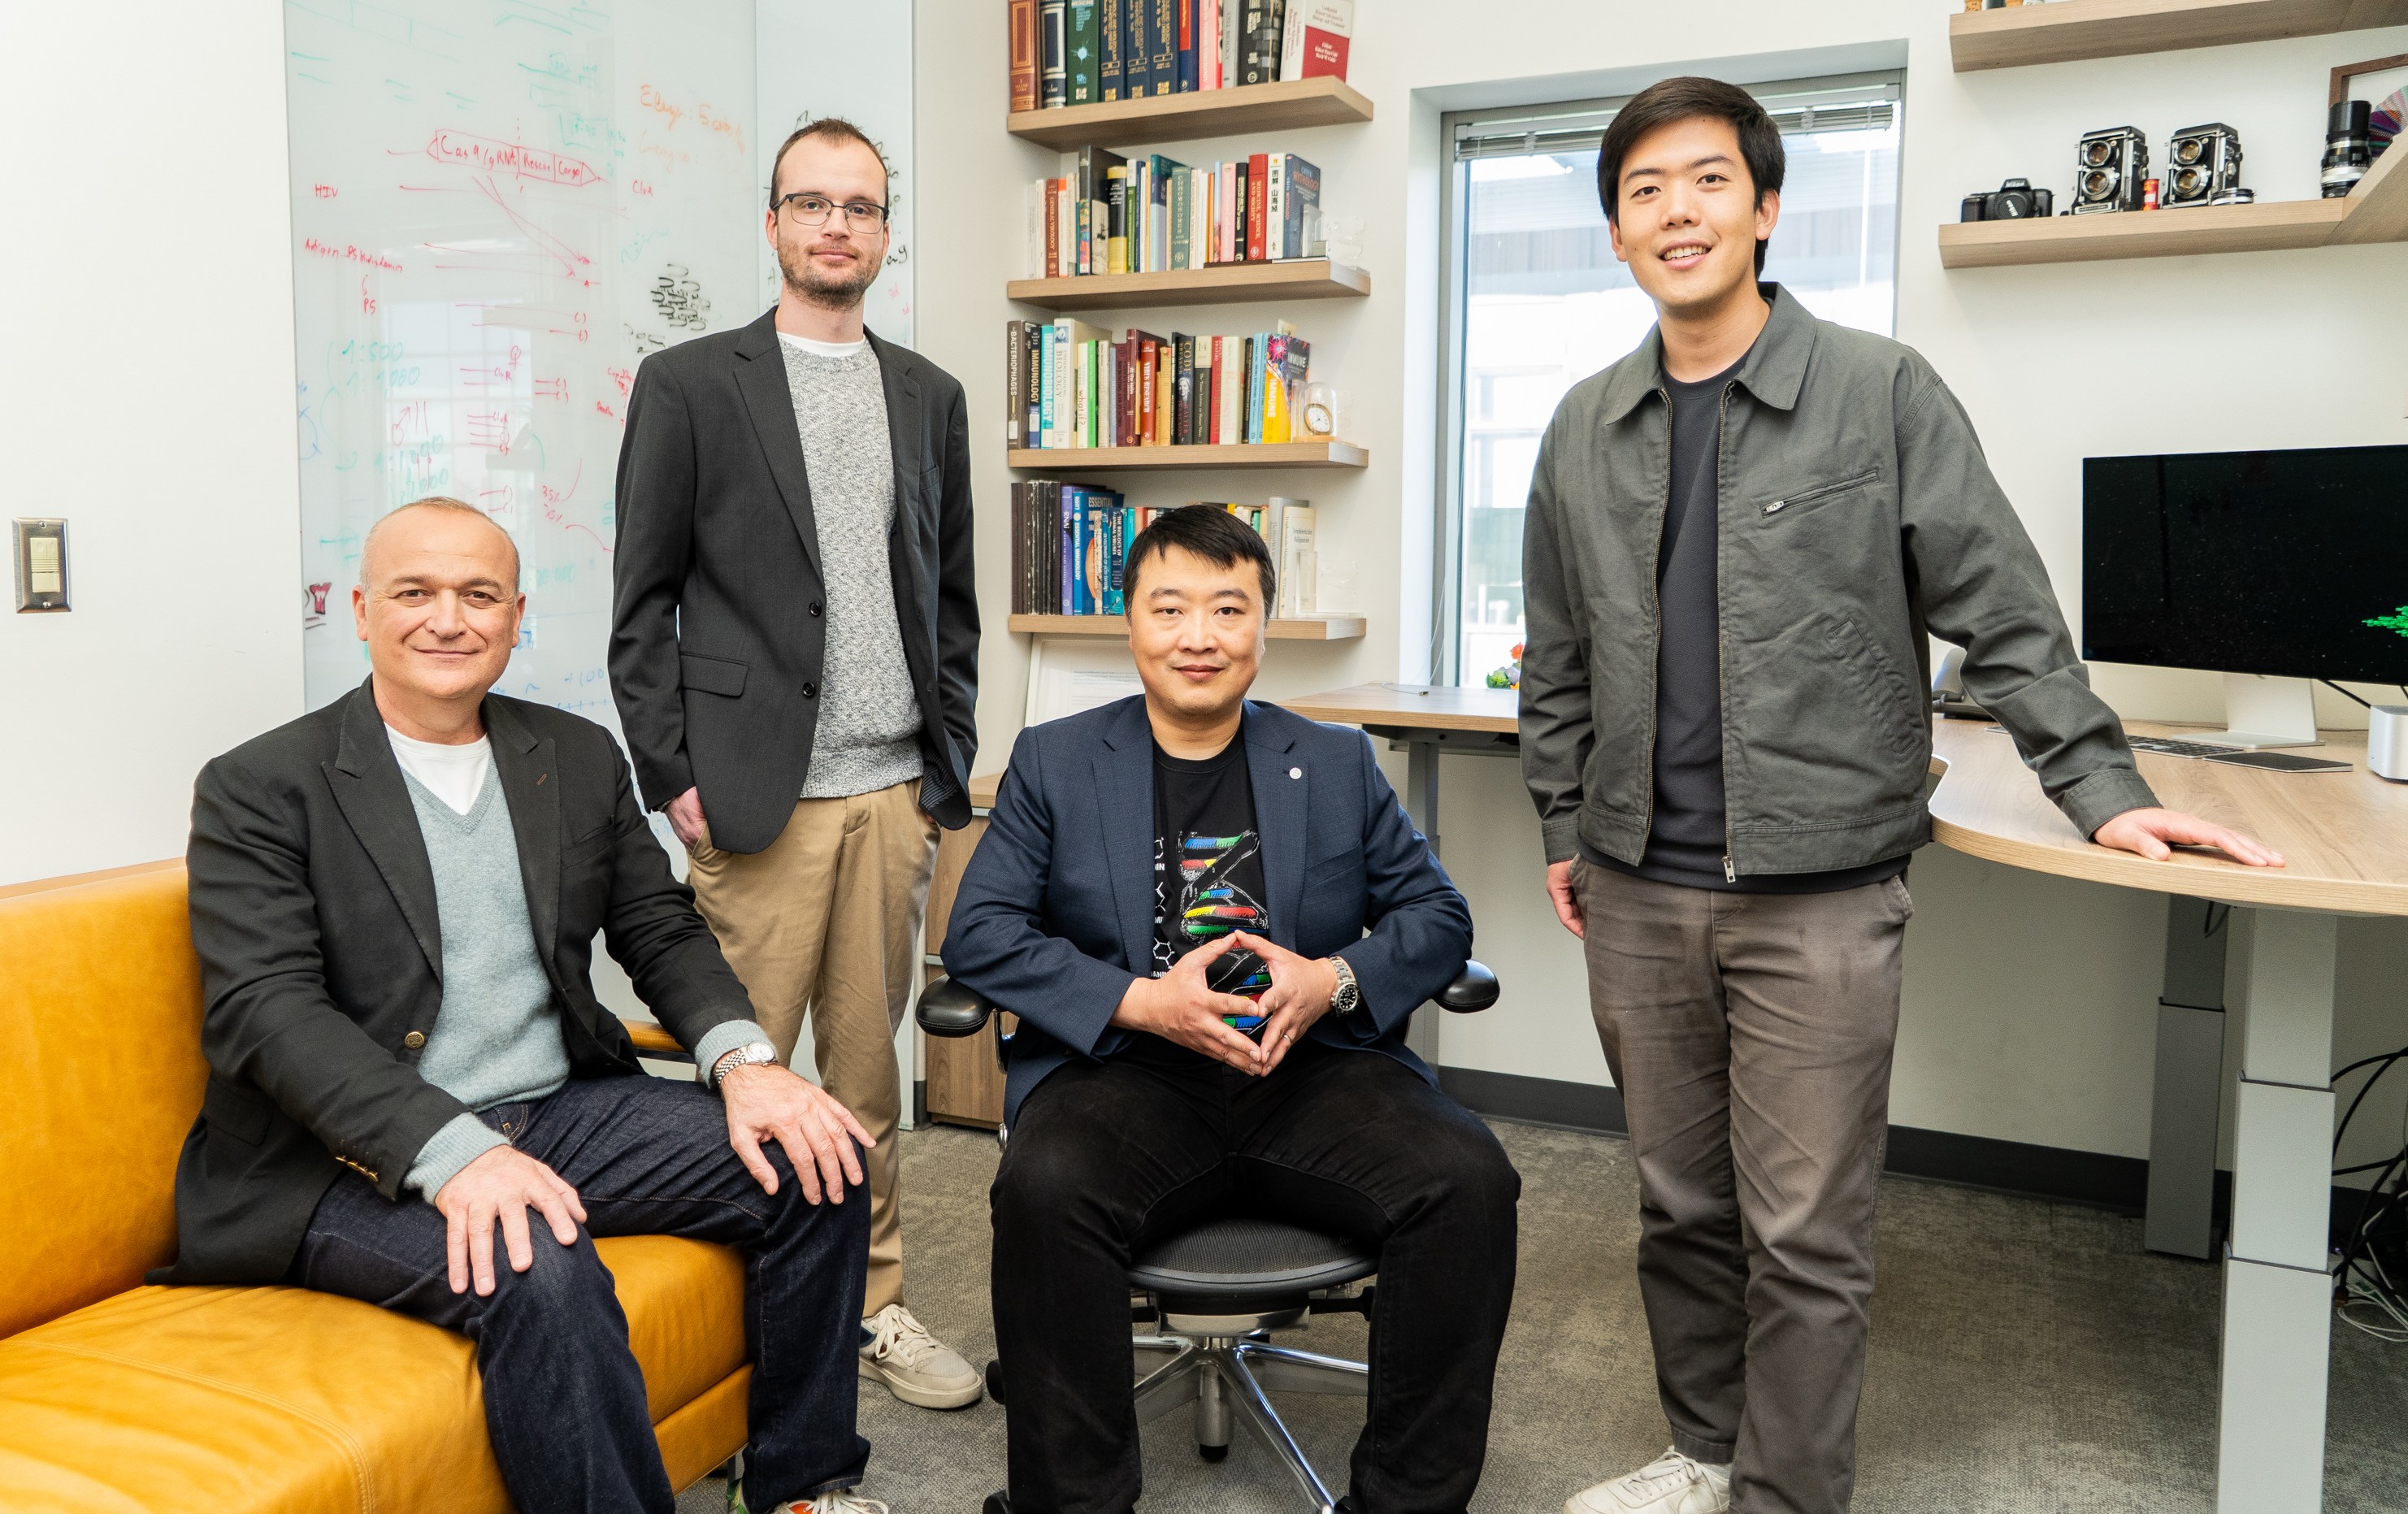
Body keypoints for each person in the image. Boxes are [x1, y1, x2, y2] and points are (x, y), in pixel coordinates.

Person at [1521, 77, 2284, 1514]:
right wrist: (1564, 825)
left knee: (1804, 1231)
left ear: (1764, 209)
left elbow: (2002, 609)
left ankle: (1786, 1496)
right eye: (1641, 191)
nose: (1675, 211)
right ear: (1614, 233)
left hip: (1817, 889)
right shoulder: (1580, 425)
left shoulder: (1877, 390)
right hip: (1636, 885)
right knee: (1677, 1205)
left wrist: (2100, 788)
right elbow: (1553, 655)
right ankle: (1702, 1454)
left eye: (1706, 180)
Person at [165, 498, 887, 1514]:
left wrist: (745, 1063)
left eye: (479, 595)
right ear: (363, 612)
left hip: (554, 1112)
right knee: (533, 1258)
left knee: (819, 1159)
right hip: (340, 1161)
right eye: (414, 593)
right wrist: (456, 1153)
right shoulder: (260, 785)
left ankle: (801, 1486)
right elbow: (267, 1011)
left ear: (515, 617)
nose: (447, 619)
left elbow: (658, 928)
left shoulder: (576, 754)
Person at [944, 506, 1521, 1514]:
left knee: (1467, 1180)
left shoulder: (1334, 760)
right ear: (1130, 623)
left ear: (1262, 625)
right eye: (1169, 608)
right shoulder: (1055, 759)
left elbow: (1438, 917)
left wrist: (1331, 979)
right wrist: (1141, 1002)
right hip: (1123, 1074)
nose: (1197, 636)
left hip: (1311, 1069)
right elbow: (979, 934)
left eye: (1226, 608)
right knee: (1045, 1188)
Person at [610, 116, 983, 1408]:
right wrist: (672, 774)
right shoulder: (688, 384)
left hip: (890, 797)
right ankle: (726, 1326)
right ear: (771, 223)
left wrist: (945, 760)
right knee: (745, 1078)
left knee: (868, 1082)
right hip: (752, 801)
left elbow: (949, 594)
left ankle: (870, 1305)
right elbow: (639, 604)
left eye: (859, 206)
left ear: (884, 233)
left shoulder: (928, 393)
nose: (836, 225)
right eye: (811, 202)